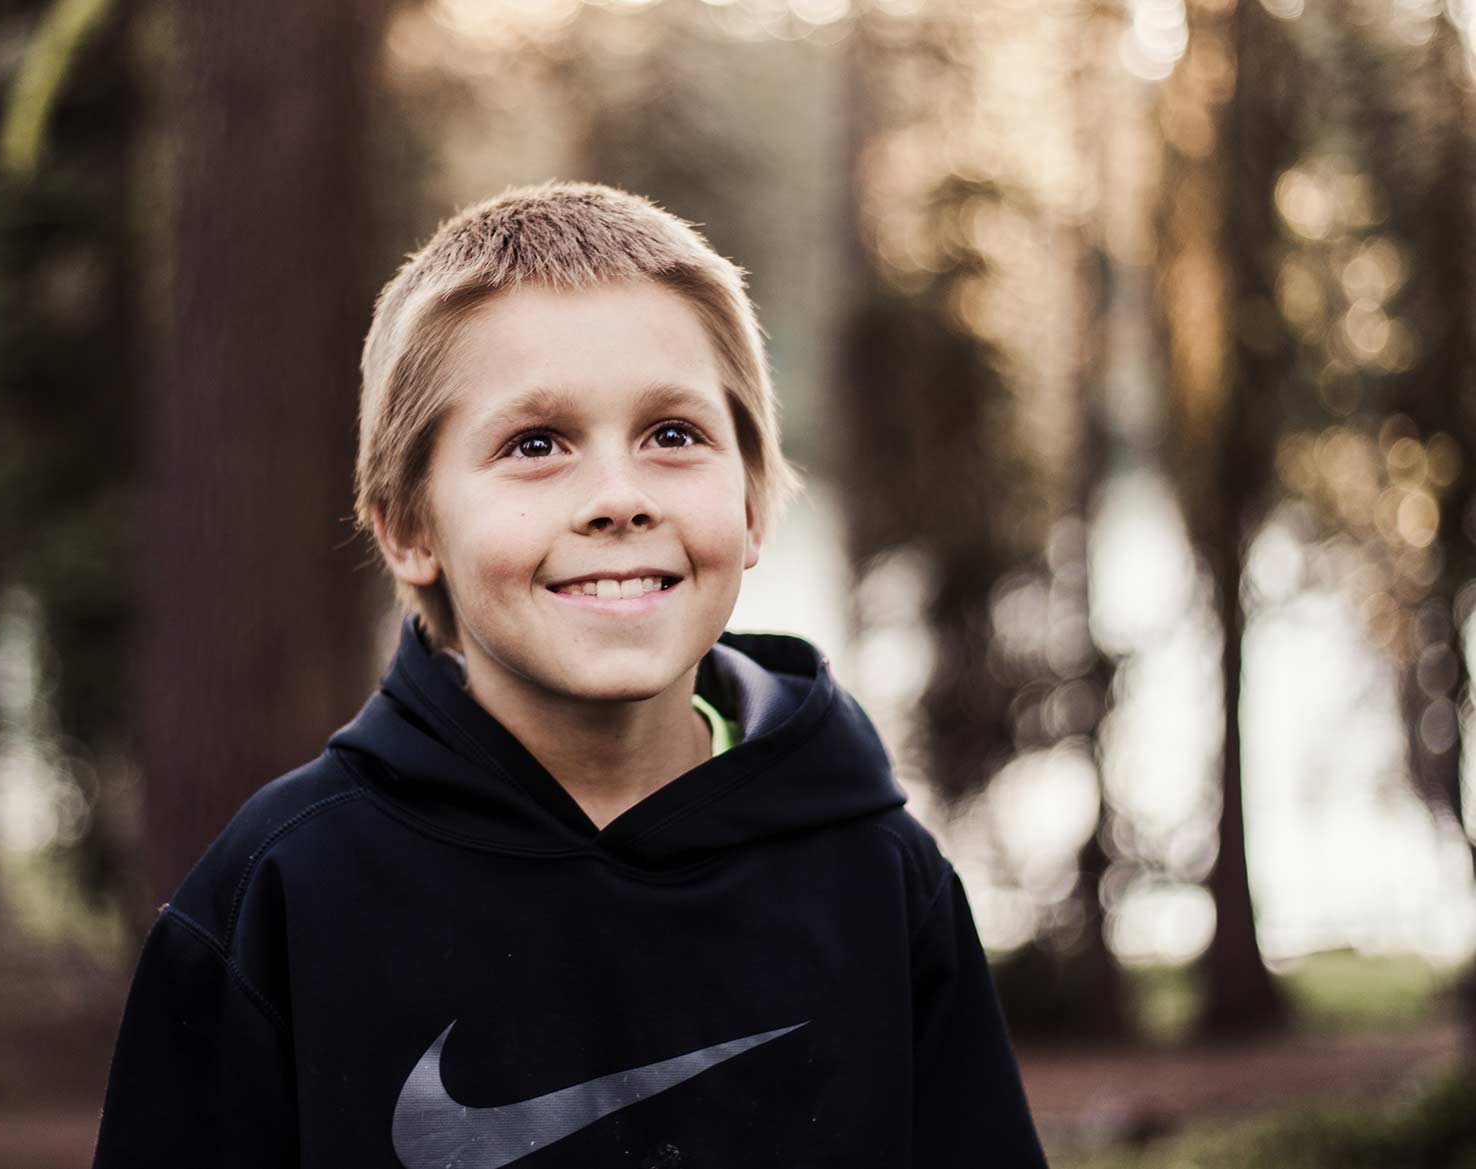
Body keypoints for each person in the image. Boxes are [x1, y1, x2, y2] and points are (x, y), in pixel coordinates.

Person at [90, 180, 1047, 1168]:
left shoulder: (880, 878)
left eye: (672, 435)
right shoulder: (279, 891)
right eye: (535, 443)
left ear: (754, 501)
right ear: (410, 527)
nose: (617, 497)